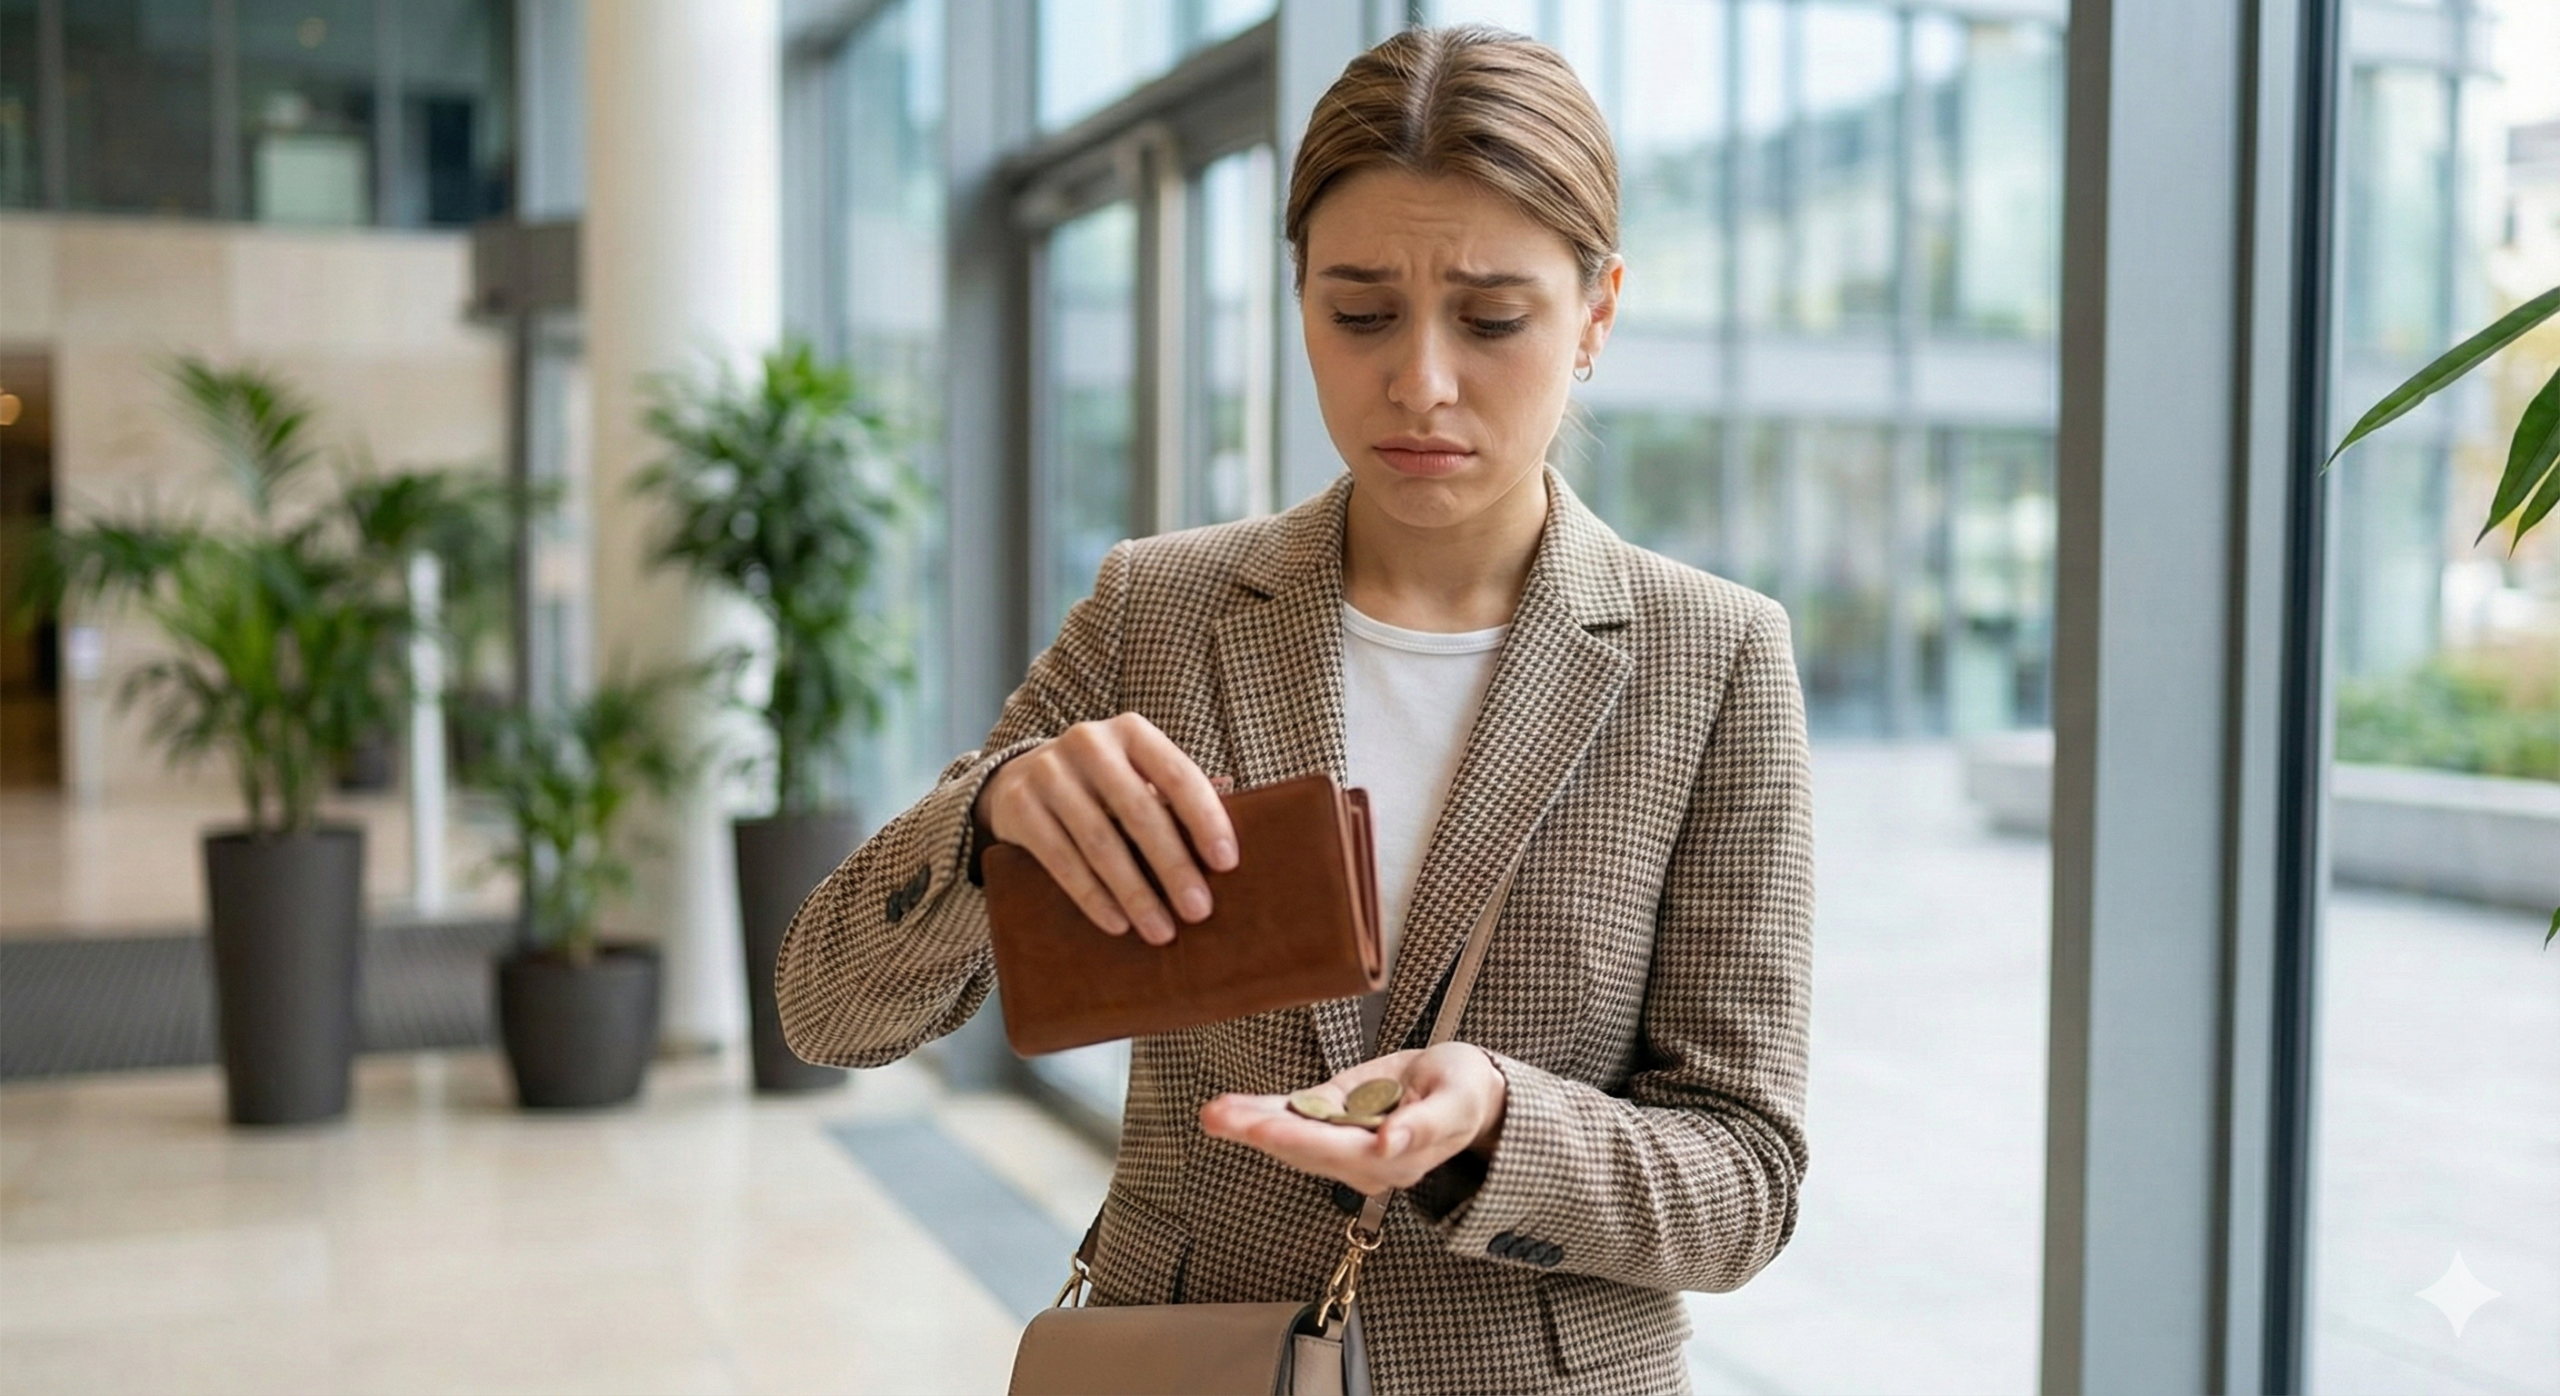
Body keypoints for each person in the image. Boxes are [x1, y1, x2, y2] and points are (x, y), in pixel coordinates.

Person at [777, 24, 1812, 1394]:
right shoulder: (1163, 611)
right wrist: (987, 819)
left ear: (1597, 314)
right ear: (1298, 300)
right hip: (1187, 1358)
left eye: (1494, 319)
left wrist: (1505, 1125)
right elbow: (828, 1012)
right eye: (1360, 311)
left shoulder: (1714, 659)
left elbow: (1746, 1181)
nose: (1420, 382)